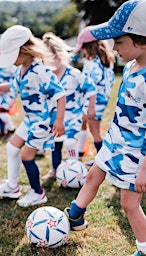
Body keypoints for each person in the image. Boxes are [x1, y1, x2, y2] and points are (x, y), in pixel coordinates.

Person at [63, 1, 146, 255]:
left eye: (119, 42)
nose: (113, 47)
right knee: (93, 175)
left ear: (144, 40)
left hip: (135, 154)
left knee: (129, 205)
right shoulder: (133, 64)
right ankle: (75, 216)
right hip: (115, 141)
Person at [0, 25, 66, 207]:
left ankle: (37, 192)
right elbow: (12, 87)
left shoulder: (40, 72)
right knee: (12, 148)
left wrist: (59, 120)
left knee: (27, 156)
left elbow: (60, 94)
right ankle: (12, 187)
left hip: (42, 122)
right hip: (30, 121)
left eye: (12, 56)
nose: (11, 61)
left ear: (25, 50)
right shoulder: (21, 70)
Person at [41, 32, 97, 180]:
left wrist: (91, 107)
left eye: (50, 60)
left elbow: (91, 89)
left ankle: (74, 167)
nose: (48, 65)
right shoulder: (47, 77)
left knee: (70, 142)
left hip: (73, 117)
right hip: (55, 118)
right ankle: (55, 169)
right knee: (56, 144)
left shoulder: (74, 74)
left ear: (59, 57)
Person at [74, 26, 116, 165]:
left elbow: (90, 84)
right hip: (102, 99)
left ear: (89, 46)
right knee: (83, 122)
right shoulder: (106, 61)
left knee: (95, 131)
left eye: (84, 48)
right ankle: (79, 154)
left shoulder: (93, 64)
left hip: (94, 101)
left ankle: (103, 160)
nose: (83, 51)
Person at [0, 36, 17, 137]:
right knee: (0, 110)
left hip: (9, 91)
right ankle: (2, 130)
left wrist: (5, 88)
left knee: (2, 112)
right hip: (0, 91)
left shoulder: (11, 63)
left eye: (0, 48)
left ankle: (11, 128)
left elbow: (15, 78)